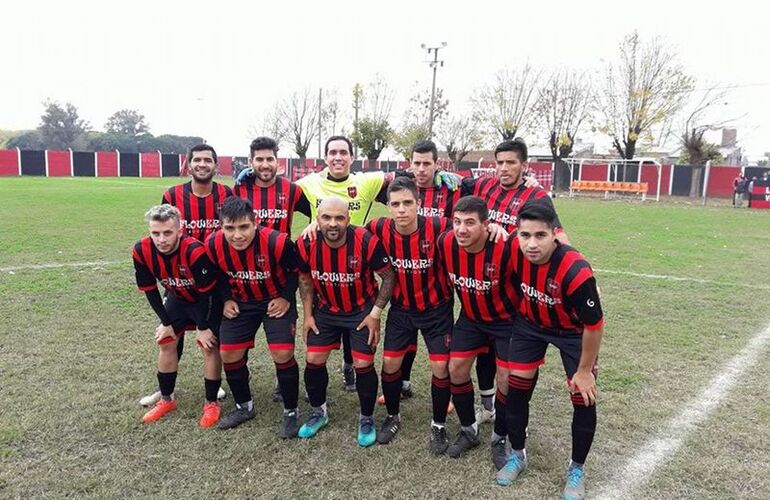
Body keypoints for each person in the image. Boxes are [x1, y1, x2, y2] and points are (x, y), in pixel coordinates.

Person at [496, 202, 603, 500]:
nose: (531, 244)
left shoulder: (575, 270)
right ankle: (517, 455)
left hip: (573, 332)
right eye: (525, 235)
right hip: (531, 325)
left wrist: (584, 371)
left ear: (555, 234)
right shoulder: (514, 249)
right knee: (516, 388)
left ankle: (577, 468)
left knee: (583, 395)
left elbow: (594, 326)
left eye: (540, 235)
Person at [295, 197, 395, 447]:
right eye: (326, 217)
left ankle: (366, 417)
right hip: (326, 311)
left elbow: (388, 277)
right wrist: (308, 315)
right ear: (317, 219)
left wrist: (375, 313)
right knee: (313, 360)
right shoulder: (306, 242)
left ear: (348, 219)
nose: (333, 223)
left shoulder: (365, 241)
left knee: (363, 364)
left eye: (339, 218)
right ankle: (319, 412)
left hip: (360, 311)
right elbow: (305, 279)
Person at [139, 144, 232, 407]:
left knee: (212, 338)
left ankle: (215, 387)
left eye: (208, 160)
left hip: (214, 280)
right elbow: (163, 227)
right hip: (179, 277)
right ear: (188, 165)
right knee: (171, 334)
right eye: (197, 160)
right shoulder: (172, 195)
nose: (202, 164)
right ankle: (165, 390)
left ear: (216, 166)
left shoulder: (226, 193)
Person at [366, 176, 454, 451]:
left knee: (441, 366)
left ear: (419, 203)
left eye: (407, 203)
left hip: (437, 310)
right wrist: (313, 224)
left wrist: (496, 229)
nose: (401, 209)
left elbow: (471, 231)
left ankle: (438, 425)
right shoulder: (378, 227)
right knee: (391, 363)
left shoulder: (440, 226)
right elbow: (349, 232)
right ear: (388, 207)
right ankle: (393, 416)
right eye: (395, 204)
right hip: (401, 309)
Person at [206, 197, 301, 437]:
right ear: (221, 226)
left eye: (243, 227)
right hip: (240, 303)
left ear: (254, 223)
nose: (237, 235)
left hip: (275, 300)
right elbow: (216, 274)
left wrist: (286, 298)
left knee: (282, 352)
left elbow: (295, 272)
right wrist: (226, 299)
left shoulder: (277, 242)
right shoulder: (213, 244)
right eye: (229, 228)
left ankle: (291, 410)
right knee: (229, 352)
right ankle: (244, 406)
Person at [436, 196, 520, 462]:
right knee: (456, 369)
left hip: (507, 321)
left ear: (487, 224)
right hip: (471, 318)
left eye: (470, 223)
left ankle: (500, 437)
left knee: (506, 380)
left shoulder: (505, 247)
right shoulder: (445, 243)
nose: (461, 229)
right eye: (457, 222)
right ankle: (468, 429)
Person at [132, 204, 222, 427]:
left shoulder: (195, 251)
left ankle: (211, 402)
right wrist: (166, 322)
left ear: (179, 231)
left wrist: (203, 326)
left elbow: (207, 294)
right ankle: (166, 400)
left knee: (209, 345)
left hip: (205, 301)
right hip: (177, 299)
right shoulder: (141, 250)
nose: (161, 239)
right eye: (156, 233)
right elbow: (150, 290)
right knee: (166, 340)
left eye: (167, 233)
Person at [232, 137, 311, 237]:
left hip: (282, 252)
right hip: (249, 252)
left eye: (270, 159)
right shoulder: (239, 189)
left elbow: (316, 212)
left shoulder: (292, 189)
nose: (265, 165)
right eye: (259, 160)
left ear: (277, 162)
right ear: (251, 162)